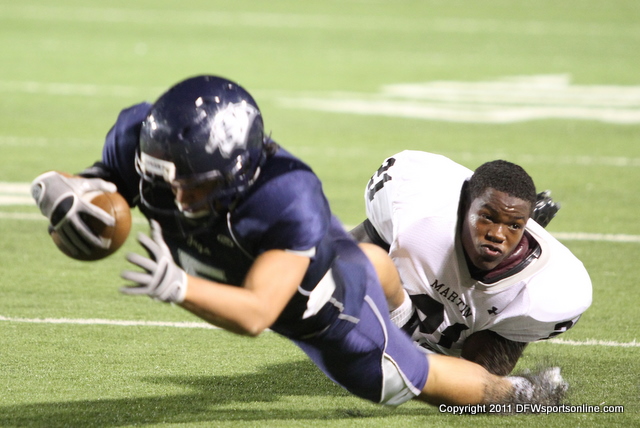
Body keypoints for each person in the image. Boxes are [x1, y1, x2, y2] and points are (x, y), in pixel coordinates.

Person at [31, 75, 568, 409]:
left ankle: (521, 394)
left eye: (192, 185)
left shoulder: (285, 197)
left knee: (406, 377)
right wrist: (65, 193)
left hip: (314, 303)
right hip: (290, 257)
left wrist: (178, 286)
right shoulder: (140, 138)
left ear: (238, 173)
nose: (174, 195)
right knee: (367, 259)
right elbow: (99, 182)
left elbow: (257, 312)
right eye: (164, 177)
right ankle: (409, 315)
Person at [350, 151, 593, 375]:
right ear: (465, 204)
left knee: (475, 391)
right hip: (408, 263)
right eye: (488, 217)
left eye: (514, 225)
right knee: (331, 289)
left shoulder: (552, 288)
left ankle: (520, 391)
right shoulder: (419, 223)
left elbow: (472, 383)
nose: (498, 234)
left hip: (480, 326)